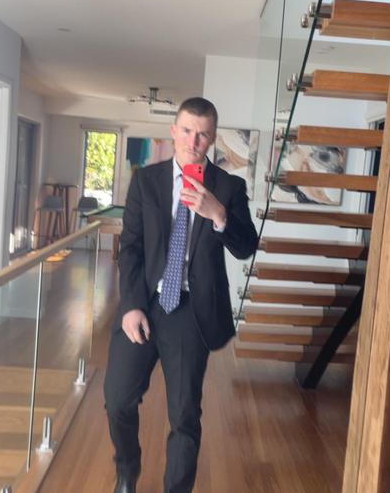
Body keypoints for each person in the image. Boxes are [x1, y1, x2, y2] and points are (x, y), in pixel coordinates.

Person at [104, 97, 258, 493]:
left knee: (185, 416)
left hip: (192, 311)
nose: (194, 141)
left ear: (212, 138)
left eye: (203, 134)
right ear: (174, 131)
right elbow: (131, 248)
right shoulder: (146, 181)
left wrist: (218, 214)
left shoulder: (228, 187)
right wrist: (131, 305)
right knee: (117, 399)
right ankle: (127, 470)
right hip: (146, 303)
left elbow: (246, 247)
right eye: (187, 131)